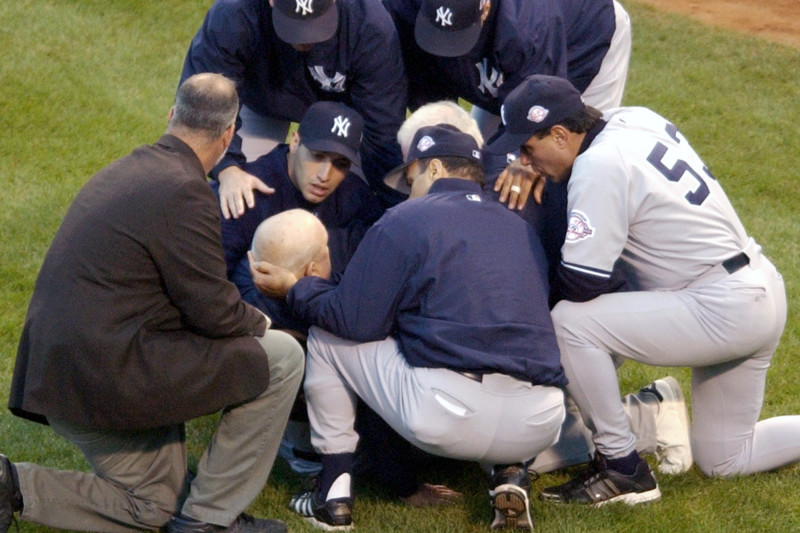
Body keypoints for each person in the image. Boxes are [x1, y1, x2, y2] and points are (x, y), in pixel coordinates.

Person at [1, 73, 304, 533]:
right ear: (228, 136)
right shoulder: (184, 190)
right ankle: (209, 521)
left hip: (72, 364)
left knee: (155, 504)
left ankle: (10, 484)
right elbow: (215, 312)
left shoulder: (133, 167)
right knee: (282, 357)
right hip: (101, 375)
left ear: (172, 116)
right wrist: (265, 320)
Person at [489, 74, 800, 506]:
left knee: (569, 324)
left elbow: (582, 283)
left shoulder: (600, 166)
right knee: (725, 458)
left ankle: (622, 468)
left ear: (560, 134)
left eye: (528, 148)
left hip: (718, 307)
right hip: (756, 289)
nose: (523, 159)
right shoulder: (634, 119)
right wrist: (532, 163)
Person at [252, 124, 567, 530]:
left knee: (328, 337)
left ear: (433, 168)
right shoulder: (519, 226)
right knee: (503, 342)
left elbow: (354, 322)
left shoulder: (404, 218)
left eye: (413, 177)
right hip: (540, 423)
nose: (408, 189)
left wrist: (298, 289)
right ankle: (509, 474)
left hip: (451, 414)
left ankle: (332, 494)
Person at [383, 0, 631, 210]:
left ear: (485, 7)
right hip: (508, 55)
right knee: (476, 162)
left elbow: (541, 109)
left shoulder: (528, 25)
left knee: (546, 171)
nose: (449, 48)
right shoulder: (404, 7)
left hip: (583, 41)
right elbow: (426, 94)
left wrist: (520, 157)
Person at [180, 0, 408, 218]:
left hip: (343, 115)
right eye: (293, 23)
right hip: (262, 104)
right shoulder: (234, 12)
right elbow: (204, 104)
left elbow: (382, 131)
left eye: (316, 21)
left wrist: (396, 209)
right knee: (240, 197)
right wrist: (227, 168)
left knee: (355, 200)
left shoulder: (368, 23)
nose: (304, 38)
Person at [216, 101, 382, 333]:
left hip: (323, 322)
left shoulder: (357, 198)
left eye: (340, 164)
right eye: (317, 156)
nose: (325, 175)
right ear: (295, 142)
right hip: (250, 322)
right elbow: (211, 281)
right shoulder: (247, 193)